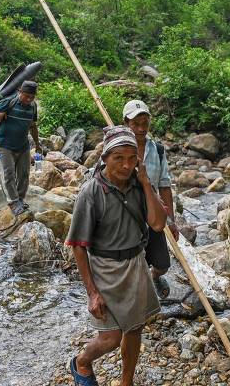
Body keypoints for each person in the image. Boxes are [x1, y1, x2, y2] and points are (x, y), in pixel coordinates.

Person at [65, 126, 168, 386]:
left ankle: (127, 381)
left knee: (134, 329)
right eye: (118, 158)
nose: (126, 165)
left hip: (135, 265)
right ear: (105, 158)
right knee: (110, 338)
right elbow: (78, 245)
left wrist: (146, 184)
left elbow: (157, 224)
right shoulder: (91, 193)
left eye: (132, 158)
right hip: (105, 269)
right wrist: (92, 293)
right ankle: (81, 362)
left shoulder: (139, 186)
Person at [122, 99, 178, 299]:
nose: (140, 128)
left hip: (153, 214)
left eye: (144, 123)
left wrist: (171, 221)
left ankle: (154, 277)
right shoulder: (119, 150)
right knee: (135, 261)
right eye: (135, 124)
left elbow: (164, 185)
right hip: (127, 216)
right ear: (126, 123)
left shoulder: (158, 150)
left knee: (163, 264)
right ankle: (136, 296)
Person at [0, 80, 43, 216]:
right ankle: (13, 202)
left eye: (32, 97)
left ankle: (20, 199)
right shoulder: (8, 102)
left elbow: (32, 126)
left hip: (23, 145)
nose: (29, 99)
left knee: (24, 174)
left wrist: (37, 144)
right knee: (8, 174)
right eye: (26, 96)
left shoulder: (33, 107)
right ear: (20, 92)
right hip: (4, 146)